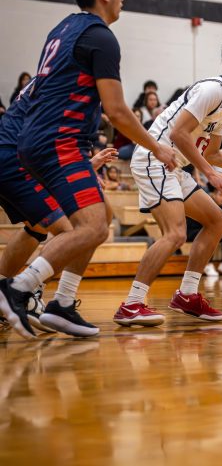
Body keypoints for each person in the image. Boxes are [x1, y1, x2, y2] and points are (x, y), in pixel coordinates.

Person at [0, 0, 176, 340]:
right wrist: (158, 147)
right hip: (55, 140)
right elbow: (116, 111)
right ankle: (16, 289)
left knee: (101, 216)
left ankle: (61, 304)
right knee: (94, 226)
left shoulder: (62, 28)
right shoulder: (100, 36)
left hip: (40, 139)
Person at [113, 30, 222, 327]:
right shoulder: (212, 90)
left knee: (217, 221)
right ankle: (132, 304)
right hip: (155, 158)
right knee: (175, 234)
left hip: (173, 165)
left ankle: (187, 295)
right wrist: (212, 175)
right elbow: (177, 133)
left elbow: (212, 153)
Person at [0, 76, 117, 334]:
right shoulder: (76, 84)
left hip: (13, 151)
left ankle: (16, 298)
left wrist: (86, 166)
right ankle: (24, 292)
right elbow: (51, 135)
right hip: (18, 157)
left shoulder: (53, 76)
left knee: (37, 228)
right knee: (73, 231)